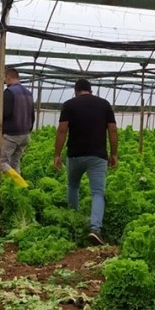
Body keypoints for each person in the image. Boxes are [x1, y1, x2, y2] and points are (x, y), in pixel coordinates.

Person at [53, 78, 118, 245]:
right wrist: (114, 154)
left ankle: (73, 221)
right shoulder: (104, 105)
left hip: (75, 154)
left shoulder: (69, 105)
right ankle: (95, 228)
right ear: (91, 90)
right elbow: (112, 129)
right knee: (98, 192)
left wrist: (57, 155)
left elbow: (62, 131)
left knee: (73, 186)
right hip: (98, 156)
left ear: (76, 91)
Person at [0, 67, 35, 188]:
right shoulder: (28, 93)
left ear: (8, 77)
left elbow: (5, 113)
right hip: (25, 134)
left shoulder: (9, 92)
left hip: (12, 135)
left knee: (1, 162)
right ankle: (18, 190)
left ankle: (23, 185)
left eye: (5, 78)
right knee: (15, 163)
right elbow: (32, 115)